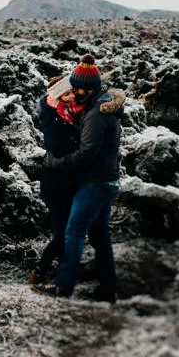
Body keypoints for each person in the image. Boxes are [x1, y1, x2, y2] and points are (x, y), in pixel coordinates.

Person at [32, 54, 125, 303]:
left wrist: (58, 163)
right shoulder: (100, 102)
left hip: (95, 182)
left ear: (90, 89)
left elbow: (86, 153)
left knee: (73, 232)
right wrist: (47, 103)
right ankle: (108, 289)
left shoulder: (95, 114)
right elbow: (53, 95)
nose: (75, 92)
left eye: (78, 88)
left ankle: (63, 286)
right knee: (100, 236)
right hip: (106, 180)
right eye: (72, 88)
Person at [27, 72, 81, 289]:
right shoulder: (52, 117)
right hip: (55, 182)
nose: (72, 96)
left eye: (72, 92)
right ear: (57, 97)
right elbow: (56, 146)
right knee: (63, 232)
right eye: (66, 94)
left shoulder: (70, 112)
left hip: (68, 179)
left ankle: (63, 271)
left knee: (68, 229)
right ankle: (39, 271)